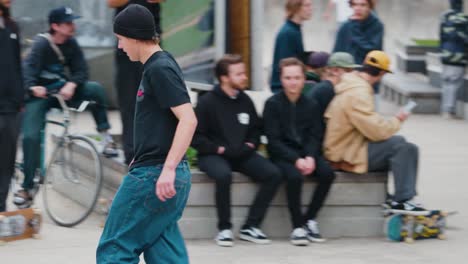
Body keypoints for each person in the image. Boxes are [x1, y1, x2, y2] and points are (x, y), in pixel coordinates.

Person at [96, 5, 197, 263]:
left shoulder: (159, 68)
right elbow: (160, 121)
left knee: (114, 251)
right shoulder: (159, 64)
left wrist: (168, 168)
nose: (120, 47)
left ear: (133, 36)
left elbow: (188, 119)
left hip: (154, 176)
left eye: (120, 39)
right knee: (165, 253)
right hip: (159, 172)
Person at [14, 6, 118, 208]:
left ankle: (106, 138)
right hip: (40, 96)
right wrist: (33, 88)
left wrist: (72, 84)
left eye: (72, 22)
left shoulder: (71, 44)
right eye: (68, 23)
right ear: (55, 26)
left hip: (62, 92)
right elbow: (27, 72)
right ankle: (27, 188)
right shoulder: (41, 45)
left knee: (95, 90)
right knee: (31, 136)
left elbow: (81, 70)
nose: (73, 26)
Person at [191, 54, 282, 247]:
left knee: (273, 174)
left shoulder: (245, 100)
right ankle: (224, 229)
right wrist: (219, 149)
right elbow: (196, 137)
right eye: (239, 74)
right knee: (223, 175)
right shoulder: (207, 102)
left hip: (241, 154)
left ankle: (251, 226)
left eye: (244, 73)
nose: (244, 77)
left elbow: (256, 129)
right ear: (225, 78)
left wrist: (250, 145)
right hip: (213, 155)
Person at [324, 50, 428, 215]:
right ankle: (403, 200)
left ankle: (394, 198)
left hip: (348, 146)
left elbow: (368, 125)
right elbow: (377, 131)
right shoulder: (358, 92)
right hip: (346, 155)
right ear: (381, 73)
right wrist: (398, 119)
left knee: (401, 143)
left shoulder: (353, 85)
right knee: (404, 148)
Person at [263, 57, 336, 246]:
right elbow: (273, 140)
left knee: (327, 174)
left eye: (296, 77)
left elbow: (315, 135)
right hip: (282, 154)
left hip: (307, 153)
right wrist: (296, 160)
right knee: (294, 177)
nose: (293, 82)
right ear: (281, 79)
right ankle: (297, 227)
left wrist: (311, 156)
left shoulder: (311, 104)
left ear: (304, 79)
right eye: (288, 78)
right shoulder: (272, 104)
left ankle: (309, 220)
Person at [107, 0, 163, 164]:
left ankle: (151, 151)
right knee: (128, 101)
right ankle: (131, 154)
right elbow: (112, 2)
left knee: (153, 99)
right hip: (127, 48)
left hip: (150, 43)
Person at [306, 52, 360, 142]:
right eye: (348, 71)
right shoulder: (327, 91)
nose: (352, 74)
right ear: (335, 71)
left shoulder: (326, 88)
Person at [0, 0, 23, 212]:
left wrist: (20, 100)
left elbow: (17, 65)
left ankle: (0, 208)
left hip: (10, 108)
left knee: (6, 162)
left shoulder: (11, 26)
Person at [270, 0, 312, 93]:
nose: (311, 9)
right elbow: (285, 64)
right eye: (307, 5)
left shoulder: (295, 29)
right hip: (284, 90)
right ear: (296, 8)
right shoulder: (288, 32)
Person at [439, 0, 468, 119]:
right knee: (454, 83)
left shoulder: (445, 17)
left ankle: (445, 108)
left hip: (445, 54)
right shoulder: (465, 18)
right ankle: (449, 110)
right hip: (459, 56)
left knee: (446, 81)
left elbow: (441, 36)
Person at [333, 0, 382, 66]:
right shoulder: (346, 26)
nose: (358, 8)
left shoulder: (376, 25)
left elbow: (372, 51)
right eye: (355, 4)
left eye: (363, 5)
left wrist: (355, 27)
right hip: (347, 71)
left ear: (369, 7)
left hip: (368, 71)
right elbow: (336, 53)